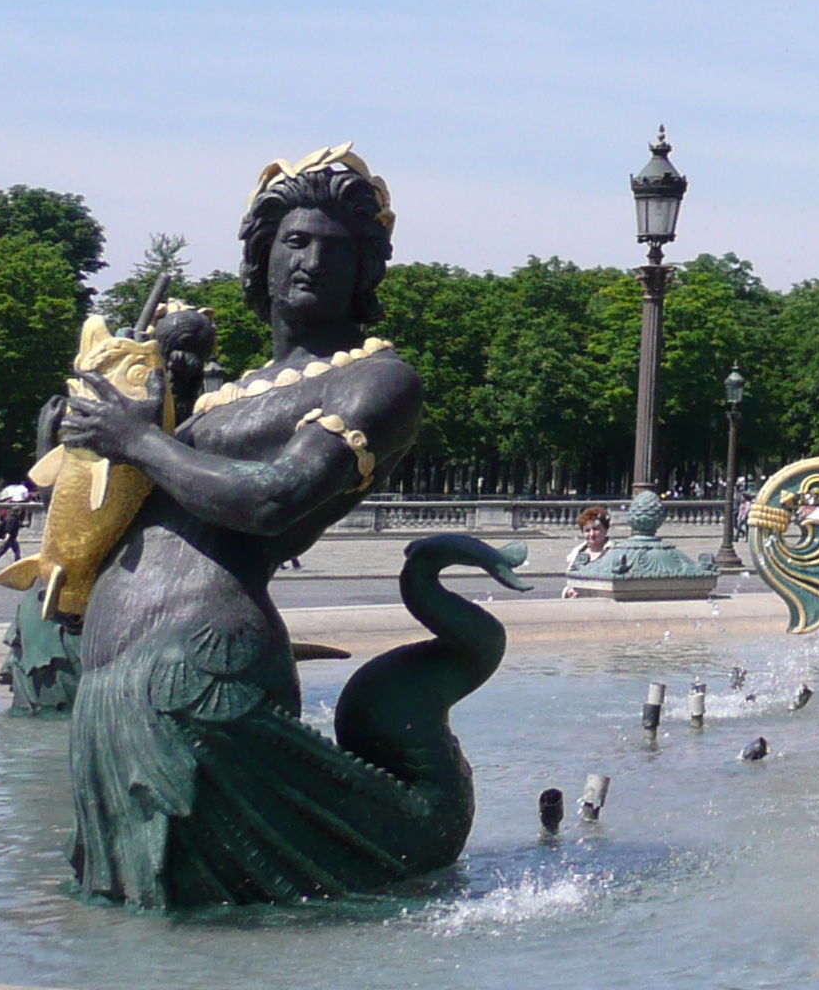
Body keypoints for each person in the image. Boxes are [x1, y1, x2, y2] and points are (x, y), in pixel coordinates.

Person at [57, 144, 506, 905]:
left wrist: (137, 439)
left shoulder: (379, 380)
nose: (313, 261)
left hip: (202, 672)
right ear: (262, 257)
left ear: (366, 270)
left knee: (214, 926)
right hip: (116, 679)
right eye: (295, 241)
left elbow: (274, 498)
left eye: (338, 249)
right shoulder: (220, 396)